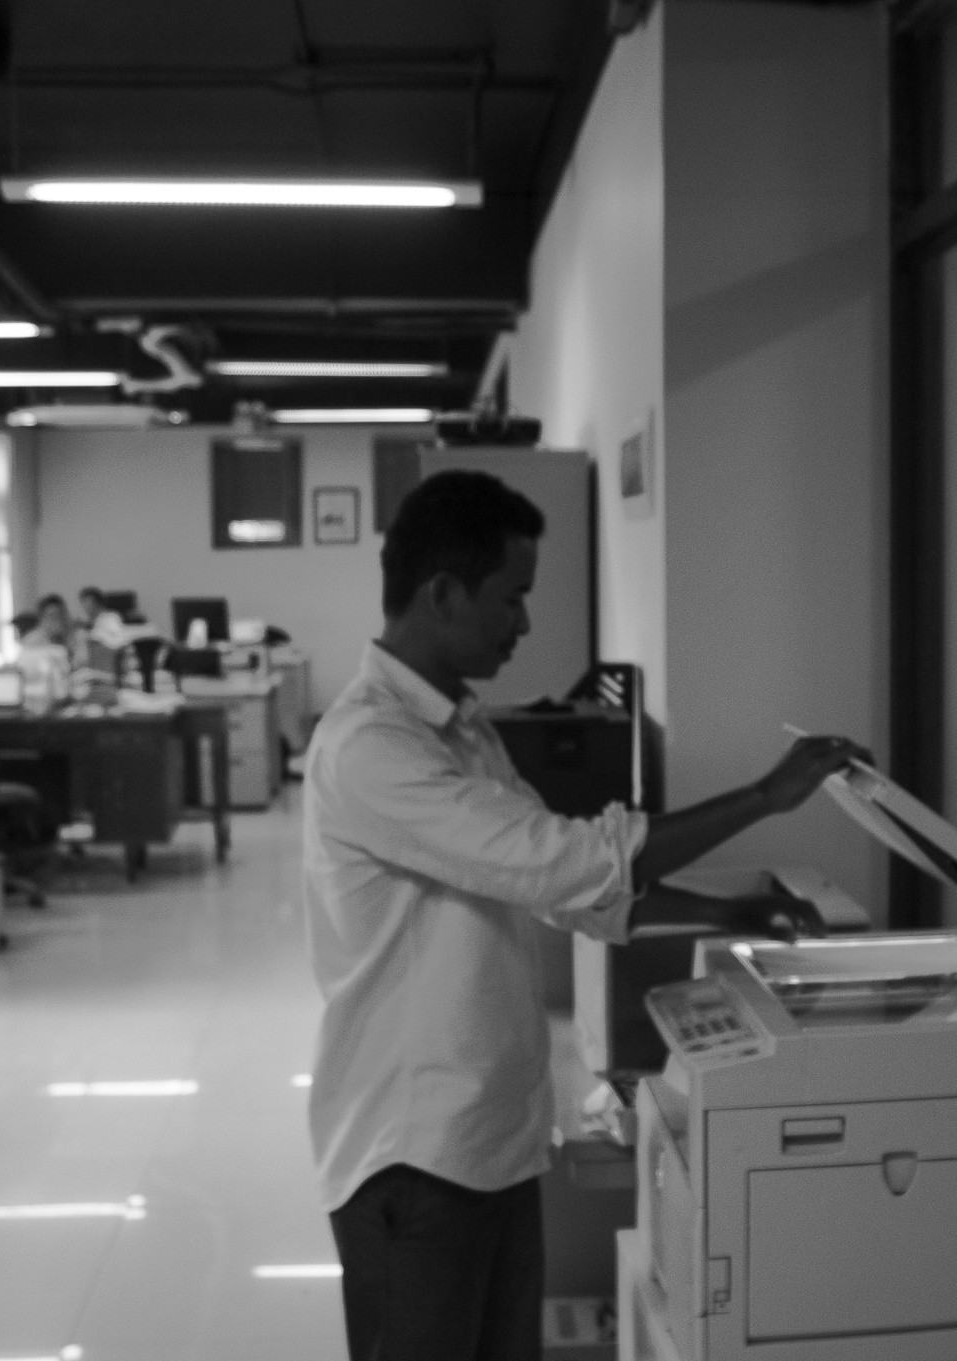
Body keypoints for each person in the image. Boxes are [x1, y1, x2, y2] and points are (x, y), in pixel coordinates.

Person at [305, 470, 868, 1361]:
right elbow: (567, 857)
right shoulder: (372, 746)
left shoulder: (463, 729)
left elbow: (570, 891)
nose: (524, 623)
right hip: (413, 1160)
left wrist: (728, 907)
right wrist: (767, 795)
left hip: (492, 1137)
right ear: (442, 591)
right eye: (511, 596)